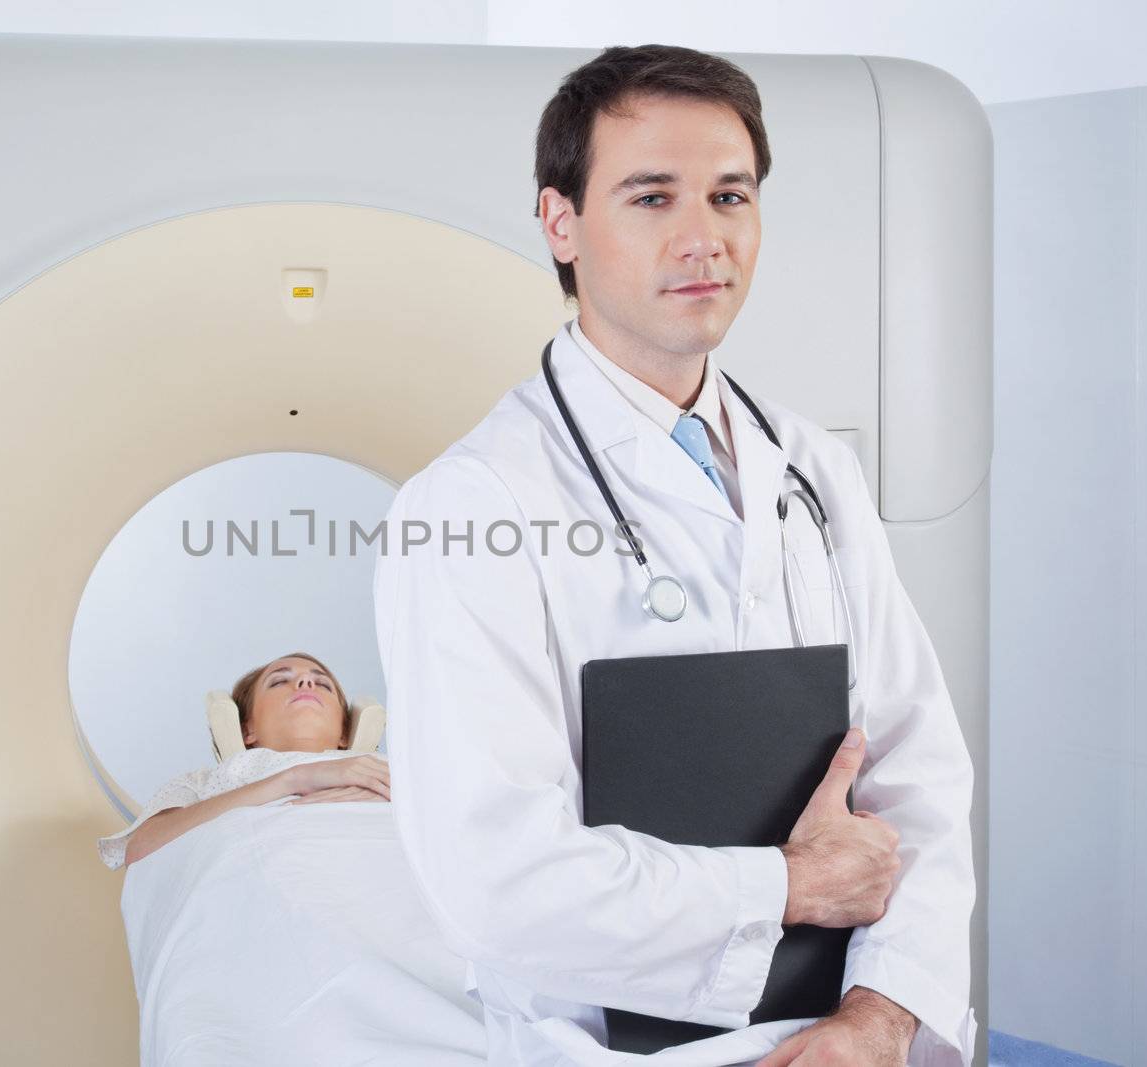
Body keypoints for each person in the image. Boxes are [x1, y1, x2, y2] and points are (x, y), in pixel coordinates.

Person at [372, 44, 975, 1067]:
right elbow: (496, 877)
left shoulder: (813, 469)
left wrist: (878, 1015)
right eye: (651, 197)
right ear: (560, 222)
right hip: (608, 1047)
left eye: (729, 195)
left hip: (853, 1032)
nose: (705, 238)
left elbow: (918, 774)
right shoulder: (470, 503)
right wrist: (786, 886)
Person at [95, 653, 391, 870]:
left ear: (344, 732)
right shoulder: (209, 781)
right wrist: (295, 779)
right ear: (247, 728)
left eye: (323, 684)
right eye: (279, 681)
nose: (305, 681)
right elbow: (140, 850)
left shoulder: (390, 768)